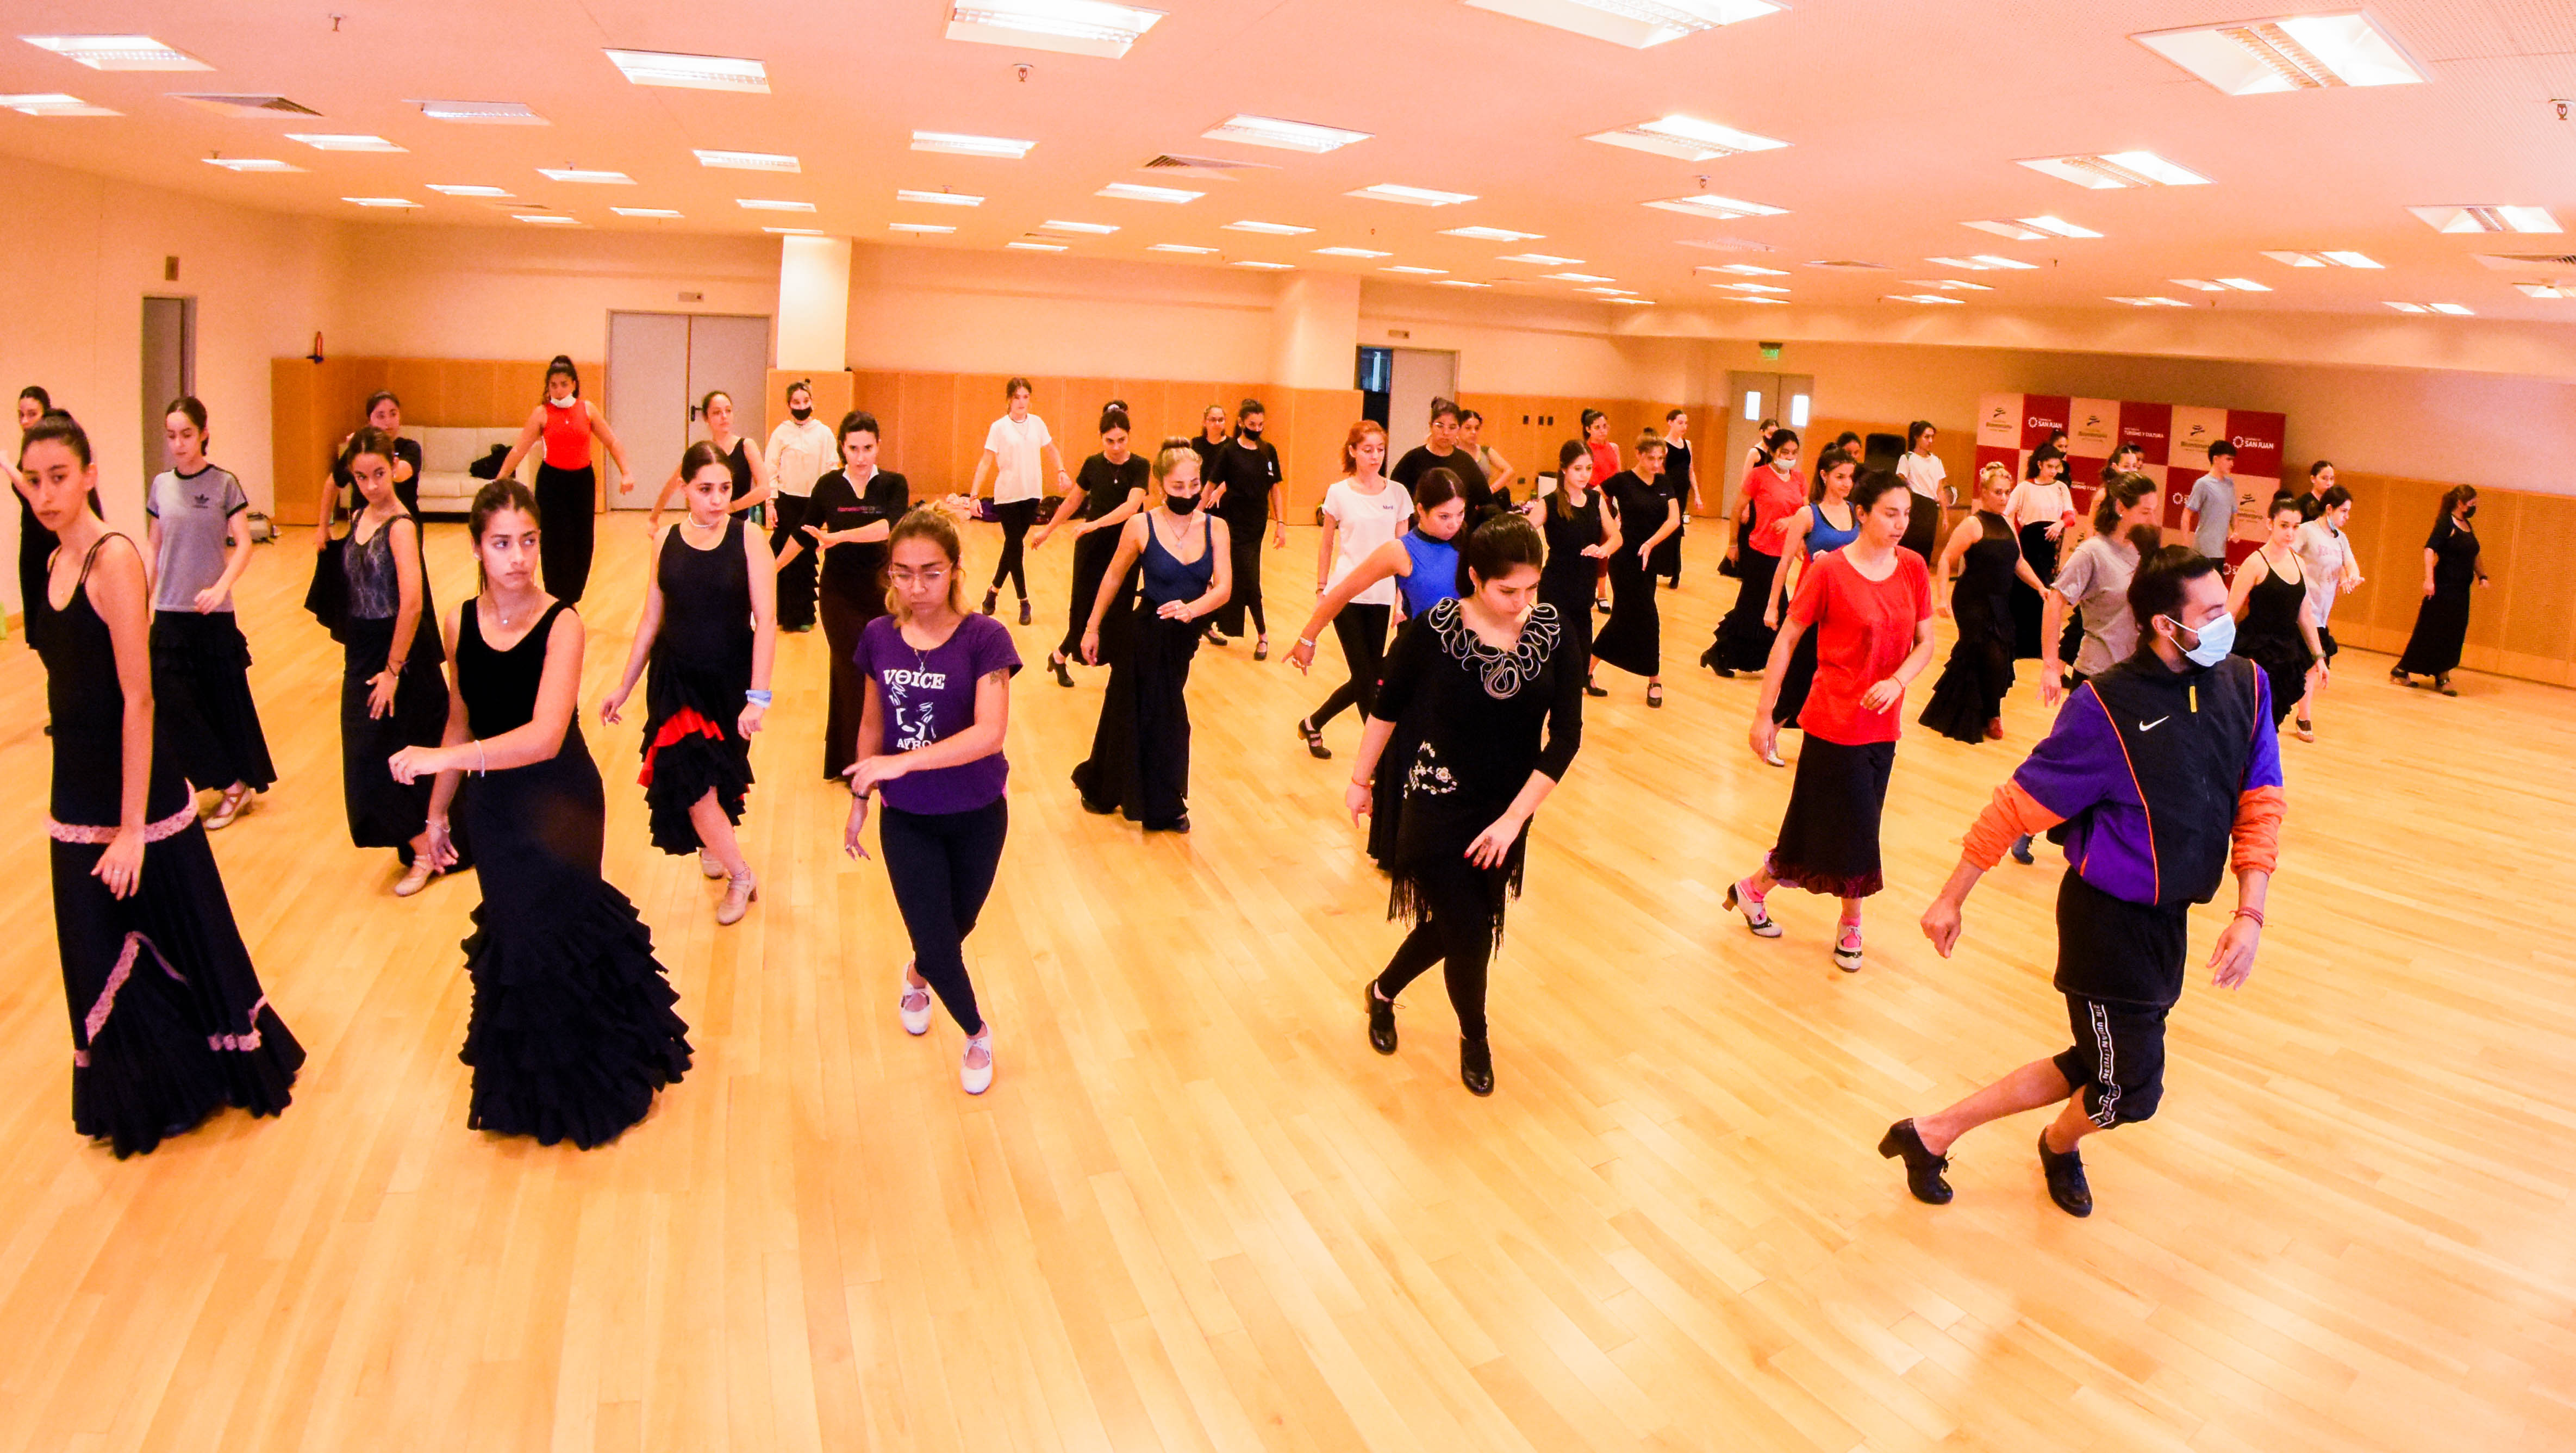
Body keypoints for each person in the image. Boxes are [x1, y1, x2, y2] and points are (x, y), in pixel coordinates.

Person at [1881, 546, 2283, 1218]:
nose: (2226, 621)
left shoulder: (2246, 685)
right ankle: (2056, 1145)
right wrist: (1949, 898)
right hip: (2105, 926)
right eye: (2211, 612)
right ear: (2163, 625)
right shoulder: (2106, 706)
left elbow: (2260, 803)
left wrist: (2250, 913)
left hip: (2168, 918)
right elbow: (2017, 804)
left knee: (2099, 1062)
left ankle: (1928, 1133)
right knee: (2130, 1090)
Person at [20, 415, 303, 1157]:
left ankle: (185, 1082)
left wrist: (131, 828)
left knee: (177, 935)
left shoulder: (112, 558)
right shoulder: (52, 561)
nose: (45, 493)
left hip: (133, 794)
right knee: (93, 947)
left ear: (89, 475)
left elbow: (138, 698)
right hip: (74, 788)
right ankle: (148, 1087)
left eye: (58, 477)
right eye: (34, 479)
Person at [391, 479, 693, 1148]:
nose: (519, 558)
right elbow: (460, 718)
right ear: (477, 548)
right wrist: (437, 817)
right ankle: (533, 1093)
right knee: (517, 941)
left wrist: (446, 760)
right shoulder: (458, 622)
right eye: (502, 544)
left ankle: (593, 1084)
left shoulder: (563, 623)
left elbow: (544, 736)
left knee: (563, 935)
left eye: (528, 541)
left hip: (561, 804)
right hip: (494, 810)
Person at [1348, 514, 1582, 1097]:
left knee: (1456, 924)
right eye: (1507, 590)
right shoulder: (1433, 629)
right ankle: (1474, 1038)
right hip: (1436, 801)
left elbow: (1566, 737)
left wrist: (1513, 820)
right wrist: (1359, 780)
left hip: (1507, 809)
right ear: (1474, 577)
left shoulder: (1554, 632)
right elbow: (1387, 707)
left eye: (1531, 588)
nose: (1521, 602)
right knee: (1472, 932)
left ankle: (1381, 991)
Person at [1725, 471, 1936, 972]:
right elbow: (1786, 639)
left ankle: (1752, 888)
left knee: (1815, 828)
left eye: (1906, 514)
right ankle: (1851, 923)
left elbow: (1926, 642)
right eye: (1890, 513)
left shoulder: (1911, 567)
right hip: (1833, 720)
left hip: (1883, 725)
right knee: (1857, 829)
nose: (1900, 524)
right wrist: (1763, 715)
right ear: (1861, 514)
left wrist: (1898, 681)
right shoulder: (1829, 570)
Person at [844, 507, 1019, 1095]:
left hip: (978, 813)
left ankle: (918, 973)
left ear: (955, 570)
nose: (915, 587)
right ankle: (976, 1032)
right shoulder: (878, 636)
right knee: (941, 941)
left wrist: (903, 761)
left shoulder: (986, 639)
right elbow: (872, 724)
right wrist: (861, 797)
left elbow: (989, 733)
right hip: (908, 819)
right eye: (902, 573)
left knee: (952, 928)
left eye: (930, 573)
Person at [601, 441, 778, 925]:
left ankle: (712, 840)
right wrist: (623, 686)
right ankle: (742, 874)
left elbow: (766, 620)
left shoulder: (749, 539)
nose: (717, 499)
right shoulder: (665, 541)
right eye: (705, 489)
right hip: (676, 681)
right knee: (692, 781)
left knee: (717, 777)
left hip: (729, 682)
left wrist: (758, 698)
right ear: (684, 489)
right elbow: (650, 619)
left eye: (725, 488)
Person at [1072, 439, 1231, 832]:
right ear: (1160, 485)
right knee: (1157, 715)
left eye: (1194, 485)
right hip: (1145, 633)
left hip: (1183, 636)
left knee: (1148, 710)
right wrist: (1091, 628)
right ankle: (1163, 804)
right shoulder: (1140, 525)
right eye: (1178, 486)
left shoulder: (1216, 527)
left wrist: (1192, 610)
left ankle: (1114, 784)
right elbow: (1114, 576)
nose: (1188, 494)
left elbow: (1224, 588)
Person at [335, 428, 467, 896]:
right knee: (367, 759)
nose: (372, 485)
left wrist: (392, 671)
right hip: (362, 652)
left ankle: (426, 850)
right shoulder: (358, 516)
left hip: (397, 655)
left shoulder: (401, 526)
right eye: (361, 477)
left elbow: (411, 602)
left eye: (379, 473)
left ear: (393, 466)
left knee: (383, 759)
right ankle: (423, 845)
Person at [2013, 473, 2165, 864]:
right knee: (2069, 760)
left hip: (2138, 678)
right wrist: (2050, 666)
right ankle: (2023, 823)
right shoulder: (2093, 553)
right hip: (2098, 677)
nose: (2153, 518)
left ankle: (2103, 841)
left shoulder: (2143, 552)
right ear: (2121, 509)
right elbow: (2055, 602)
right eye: (2145, 511)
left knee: (2127, 764)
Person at [147, 397, 276, 830]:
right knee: (171, 704)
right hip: (170, 613)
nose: (178, 444)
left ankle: (235, 786)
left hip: (212, 615)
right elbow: (154, 545)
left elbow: (244, 542)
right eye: (171, 435)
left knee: (221, 704)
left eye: (186, 434)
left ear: (203, 433)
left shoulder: (224, 484)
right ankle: (225, 781)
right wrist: (141, 597)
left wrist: (220, 587)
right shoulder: (161, 485)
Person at [1286, 468, 1470, 683]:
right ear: (1421, 510)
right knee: (1367, 685)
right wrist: (1307, 638)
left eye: (1461, 513)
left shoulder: (1468, 542)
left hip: (1465, 659)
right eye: (1444, 516)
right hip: (1425, 664)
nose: (1454, 523)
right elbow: (1343, 591)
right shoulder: (1400, 551)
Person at [1294, 421, 1412, 758]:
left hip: (1382, 595)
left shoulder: (1398, 494)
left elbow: (1405, 552)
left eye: (1380, 449)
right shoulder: (1338, 493)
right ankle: (1379, 758)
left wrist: (1402, 599)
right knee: (1366, 677)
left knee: (1369, 676)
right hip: (1345, 594)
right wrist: (1321, 589)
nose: (1375, 456)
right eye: (1367, 450)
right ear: (1353, 451)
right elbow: (1326, 545)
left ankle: (1314, 723)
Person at [806, 412, 910, 780]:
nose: (861, 456)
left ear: (878, 445)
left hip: (883, 592)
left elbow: (889, 527)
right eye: (854, 448)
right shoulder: (828, 486)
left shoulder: (894, 484)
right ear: (842, 448)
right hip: (838, 593)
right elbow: (804, 533)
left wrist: (838, 537)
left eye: (868, 447)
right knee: (849, 671)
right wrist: (769, 568)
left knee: (885, 672)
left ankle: (887, 754)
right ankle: (851, 762)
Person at [1918, 462, 2047, 744]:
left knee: (2000, 659)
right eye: (1998, 492)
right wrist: (1942, 598)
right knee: (1986, 654)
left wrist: (2040, 586)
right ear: (1984, 492)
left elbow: (2018, 561)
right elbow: (1946, 559)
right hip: (1972, 601)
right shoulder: (1972, 524)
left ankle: (1979, 710)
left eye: (2007, 492)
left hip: (2001, 602)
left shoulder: (2008, 523)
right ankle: (1992, 715)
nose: (2004, 498)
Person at [496, 357, 634, 605]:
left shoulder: (588, 409)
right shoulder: (542, 413)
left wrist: (626, 472)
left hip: (582, 483)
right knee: (554, 543)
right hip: (552, 483)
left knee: (582, 543)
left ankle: (571, 599)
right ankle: (556, 600)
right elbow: (519, 449)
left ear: (573, 384)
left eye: (563, 384)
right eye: (553, 385)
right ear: (548, 387)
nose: (558, 390)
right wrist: (500, 478)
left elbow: (612, 442)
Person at [1034, 405, 1150, 688]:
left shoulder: (1140, 466)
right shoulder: (1093, 464)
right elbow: (1073, 501)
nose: (1116, 447)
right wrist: (1047, 531)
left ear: (1129, 436)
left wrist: (1095, 524)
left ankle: (1114, 672)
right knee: (1084, 609)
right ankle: (1061, 657)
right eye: (1110, 441)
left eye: (1122, 440)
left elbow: (1132, 507)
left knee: (1119, 609)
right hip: (1093, 546)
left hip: (1126, 544)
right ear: (1101, 437)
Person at [1761, 447, 1864, 750]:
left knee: (1837, 678)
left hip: (1846, 607)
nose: (1847, 483)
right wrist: (1772, 605)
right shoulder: (1808, 514)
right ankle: (1770, 734)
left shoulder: (1856, 512)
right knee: (1800, 673)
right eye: (1840, 477)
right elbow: (1784, 563)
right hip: (1814, 605)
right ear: (1824, 476)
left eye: (1851, 477)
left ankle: (1829, 740)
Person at [1702, 427, 1807, 677]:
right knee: (1767, 607)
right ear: (1773, 452)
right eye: (1785, 452)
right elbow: (1737, 509)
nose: (1790, 457)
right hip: (1759, 551)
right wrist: (1732, 544)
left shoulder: (1799, 479)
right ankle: (1770, 659)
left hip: (1783, 553)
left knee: (1752, 607)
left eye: (1794, 453)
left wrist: (1792, 524)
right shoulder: (1759, 476)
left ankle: (1722, 653)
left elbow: (1804, 512)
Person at [968, 377, 1071, 624]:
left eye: (1026, 397)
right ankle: (1024, 602)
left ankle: (993, 591)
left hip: (1032, 494)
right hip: (1007, 496)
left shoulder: (1037, 424)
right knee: (1016, 546)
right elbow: (986, 461)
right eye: (1017, 397)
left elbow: (1052, 449)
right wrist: (973, 496)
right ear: (1009, 399)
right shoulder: (999, 428)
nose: (1022, 402)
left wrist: (1061, 470)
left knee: (1012, 547)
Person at [1589, 432, 1676, 706]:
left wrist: (1651, 543)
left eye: (1660, 459)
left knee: (1623, 619)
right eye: (1651, 458)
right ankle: (1655, 679)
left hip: (1649, 559)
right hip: (1625, 558)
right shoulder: (1623, 481)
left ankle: (1584, 670)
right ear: (1638, 454)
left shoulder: (1663, 482)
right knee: (1649, 619)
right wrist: (1611, 524)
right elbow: (1593, 497)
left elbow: (1674, 519)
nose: (1656, 464)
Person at [2226, 496, 2325, 729]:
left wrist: (2319, 657)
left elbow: (2305, 615)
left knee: (2272, 722)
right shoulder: (2255, 563)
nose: (2290, 533)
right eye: (2284, 525)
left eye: (2295, 527)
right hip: (2256, 652)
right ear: (2270, 523)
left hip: (2286, 653)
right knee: (2249, 720)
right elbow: (2230, 613)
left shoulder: (2299, 563)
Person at [1527, 441, 1614, 692]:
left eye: (1588, 468)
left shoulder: (1596, 500)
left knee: (1581, 653)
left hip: (1584, 590)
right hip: (1556, 589)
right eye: (1578, 469)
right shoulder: (1549, 503)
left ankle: (1580, 686)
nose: (1584, 474)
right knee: (1554, 653)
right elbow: (1522, 531)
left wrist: (1603, 550)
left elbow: (1616, 537)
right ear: (1564, 469)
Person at [1204, 397, 1285, 654]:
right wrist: (1194, 516)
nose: (1257, 429)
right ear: (1241, 423)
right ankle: (1262, 634)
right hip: (1232, 523)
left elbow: (1275, 489)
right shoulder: (1228, 452)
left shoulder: (1268, 451)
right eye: (1252, 424)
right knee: (1245, 577)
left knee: (1246, 575)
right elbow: (1211, 485)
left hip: (1256, 525)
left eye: (1261, 425)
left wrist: (1281, 523)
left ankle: (1210, 621)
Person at [2391, 485, 2487, 695]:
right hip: (2444, 588)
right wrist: (2429, 580)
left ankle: (2442, 673)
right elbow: (2429, 549)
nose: (2474, 506)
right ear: (2460, 503)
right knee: (2433, 631)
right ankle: (2408, 671)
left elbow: (2474, 554)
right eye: (2472, 503)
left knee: (2454, 632)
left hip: (2461, 591)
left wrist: (2482, 576)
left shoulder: (2467, 525)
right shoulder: (2446, 523)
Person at [763, 379, 835, 633]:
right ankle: (782, 614)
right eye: (796, 402)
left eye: (806, 401)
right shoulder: (781, 433)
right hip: (786, 502)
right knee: (783, 556)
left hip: (812, 504)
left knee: (805, 559)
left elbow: (831, 468)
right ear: (789, 405)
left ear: (812, 402)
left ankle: (804, 616)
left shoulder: (824, 433)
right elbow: (770, 469)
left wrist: (828, 506)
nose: (802, 406)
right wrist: (770, 503)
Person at [2290, 485, 2361, 739]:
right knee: (2293, 664)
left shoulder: (2341, 539)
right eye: (2344, 511)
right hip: (2299, 610)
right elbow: (2288, 556)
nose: (2347, 517)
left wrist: (2350, 577)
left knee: (2312, 665)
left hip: (2320, 614)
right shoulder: (2307, 531)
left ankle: (2303, 717)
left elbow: (2351, 564)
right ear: (2329, 509)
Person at [650, 390, 774, 525]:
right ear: (706, 418)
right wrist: (654, 518)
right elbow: (672, 485)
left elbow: (764, 489)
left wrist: (731, 507)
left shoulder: (746, 446)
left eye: (728, 411)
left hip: (738, 523)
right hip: (706, 524)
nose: (724, 416)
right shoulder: (702, 452)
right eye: (717, 412)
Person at [315, 391, 424, 525]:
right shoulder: (359, 451)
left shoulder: (410, 447)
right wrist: (323, 527)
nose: (388, 421)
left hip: (402, 524)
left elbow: (401, 474)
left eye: (393, 414)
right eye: (381, 416)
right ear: (370, 421)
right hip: (363, 525)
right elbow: (333, 483)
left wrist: (372, 446)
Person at [2007, 451, 2076, 661]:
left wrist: (2060, 524)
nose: (2054, 471)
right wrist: (2014, 539)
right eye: (2050, 467)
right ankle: (2017, 643)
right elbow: (2007, 514)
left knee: (2044, 591)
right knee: (2022, 591)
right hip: (2028, 541)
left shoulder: (2061, 487)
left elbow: (2071, 516)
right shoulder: (2024, 487)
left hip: (2048, 545)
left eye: (2057, 467)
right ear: (2039, 465)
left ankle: (2038, 645)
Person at [1391, 399, 1490, 518]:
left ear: (1459, 429)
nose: (1446, 433)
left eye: (1452, 427)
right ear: (1431, 426)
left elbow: (1487, 502)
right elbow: (1394, 500)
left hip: (1459, 528)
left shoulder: (1466, 461)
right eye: (1440, 426)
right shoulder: (1413, 459)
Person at [17, 384, 55, 631]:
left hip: (52, 539)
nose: (25, 421)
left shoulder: (53, 449)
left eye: (32, 414)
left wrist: (5, 464)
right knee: (35, 617)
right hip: (31, 539)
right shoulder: (28, 450)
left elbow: (33, 493)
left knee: (53, 617)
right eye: (21, 415)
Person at [1894, 420, 1946, 565]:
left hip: (1930, 508)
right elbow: (1900, 484)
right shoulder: (1907, 458)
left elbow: (1940, 489)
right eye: (1926, 437)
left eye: (1932, 437)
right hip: (1915, 505)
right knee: (1909, 545)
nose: (1930, 441)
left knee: (1926, 548)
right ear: (1917, 437)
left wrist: (1945, 515)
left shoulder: (1936, 461)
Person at [1654, 408, 1694, 587]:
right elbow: (1660, 472)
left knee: (1676, 531)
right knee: (1665, 528)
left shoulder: (1688, 444)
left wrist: (1697, 494)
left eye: (1686, 423)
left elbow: (1691, 471)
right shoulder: (1663, 445)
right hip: (1668, 492)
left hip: (1683, 492)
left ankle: (1676, 573)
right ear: (1670, 422)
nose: (1684, 426)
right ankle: (1658, 567)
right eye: (1680, 422)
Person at [2184, 440, 2239, 560]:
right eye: (2228, 459)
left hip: (2221, 551)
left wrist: (2236, 531)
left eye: (2233, 460)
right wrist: (2186, 546)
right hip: (2204, 551)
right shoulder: (2203, 484)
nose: (2232, 464)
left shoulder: (2230, 484)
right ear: (2216, 459)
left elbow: (2234, 512)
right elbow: (2187, 514)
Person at [1462, 408, 1514, 504]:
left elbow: (1509, 471)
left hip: (1482, 502)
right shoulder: (1452, 452)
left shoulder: (1485, 451)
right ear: (1458, 428)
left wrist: (1491, 490)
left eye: (1477, 428)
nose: (1473, 432)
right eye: (1468, 428)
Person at [1188, 403, 1230, 478]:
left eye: (1221, 420)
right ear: (1204, 422)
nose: (1217, 424)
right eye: (1213, 420)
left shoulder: (1232, 445)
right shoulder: (1196, 444)